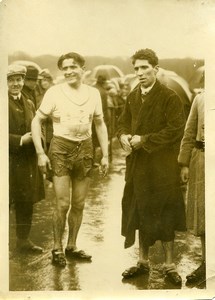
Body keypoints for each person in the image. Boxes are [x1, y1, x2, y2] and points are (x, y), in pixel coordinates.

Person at [31, 52, 109, 267]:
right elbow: (37, 121)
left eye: (72, 67)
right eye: (64, 68)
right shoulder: (54, 92)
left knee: (79, 202)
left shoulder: (93, 93)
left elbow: (100, 124)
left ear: (83, 69)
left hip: (84, 148)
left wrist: (105, 155)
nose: (68, 71)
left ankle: (72, 246)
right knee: (63, 202)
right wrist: (40, 152)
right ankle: (56, 247)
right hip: (61, 149)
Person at [117, 48, 186, 285]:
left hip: (163, 166)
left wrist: (144, 140)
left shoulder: (169, 97)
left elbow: (175, 129)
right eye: (136, 68)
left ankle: (169, 265)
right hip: (138, 165)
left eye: (145, 67)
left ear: (155, 69)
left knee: (166, 212)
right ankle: (143, 262)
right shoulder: (133, 96)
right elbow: (122, 122)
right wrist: (123, 136)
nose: (140, 72)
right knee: (139, 209)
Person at [8, 64, 44, 253]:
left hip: (26, 161)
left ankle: (23, 240)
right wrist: (19, 140)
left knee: (25, 200)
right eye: (12, 80)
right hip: (7, 160)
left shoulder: (29, 102)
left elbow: (38, 125)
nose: (17, 83)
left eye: (19, 79)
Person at [178, 91, 205, 284]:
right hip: (202, 159)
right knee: (203, 211)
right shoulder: (200, 98)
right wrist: (184, 163)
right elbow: (189, 132)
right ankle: (207, 262)